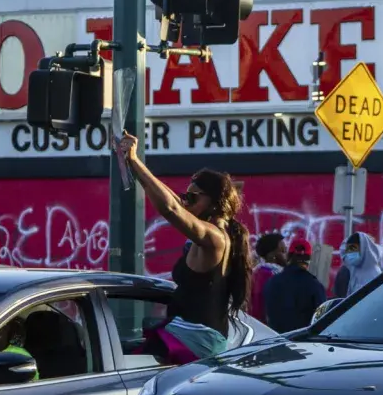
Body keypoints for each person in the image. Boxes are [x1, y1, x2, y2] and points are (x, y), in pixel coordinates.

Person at [113, 132, 253, 363]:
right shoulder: (214, 231)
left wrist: (135, 160)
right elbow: (175, 203)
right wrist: (133, 162)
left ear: (215, 201)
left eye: (192, 197)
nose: (185, 201)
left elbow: (171, 209)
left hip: (195, 343)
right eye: (184, 196)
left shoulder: (214, 238)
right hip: (194, 338)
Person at [264, 234, 329, 333]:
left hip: (276, 341)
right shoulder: (315, 285)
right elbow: (322, 318)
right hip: (303, 343)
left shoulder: (272, 282)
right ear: (309, 259)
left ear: (289, 257)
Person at [332, 231, 383, 299]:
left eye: (354, 249)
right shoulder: (350, 268)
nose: (351, 253)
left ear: (363, 249)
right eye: (349, 249)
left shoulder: (375, 275)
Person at [249, 232, 286, 324]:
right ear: (272, 255)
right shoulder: (268, 275)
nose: (287, 255)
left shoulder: (259, 272)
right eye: (282, 251)